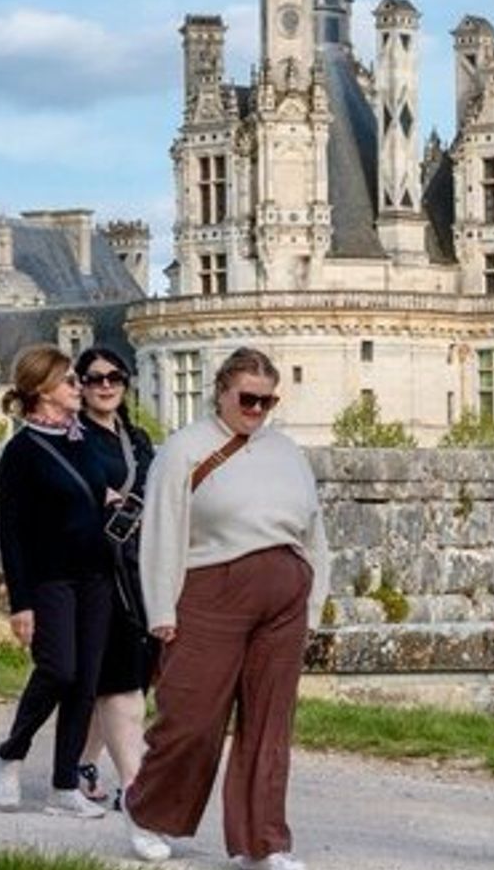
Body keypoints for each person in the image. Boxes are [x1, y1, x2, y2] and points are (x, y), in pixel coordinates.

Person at [124, 347, 330, 869]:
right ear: (221, 392)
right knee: (191, 717)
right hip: (210, 590)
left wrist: (315, 602)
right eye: (248, 398)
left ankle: (264, 842)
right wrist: (161, 610)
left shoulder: (286, 451)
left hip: (284, 597)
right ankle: (147, 810)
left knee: (269, 724)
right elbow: (163, 530)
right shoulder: (185, 448)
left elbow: (313, 533)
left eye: (268, 400)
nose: (257, 409)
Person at [0, 344, 113, 819]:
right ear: (42, 390)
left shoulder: (83, 439)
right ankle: (11, 752)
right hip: (50, 578)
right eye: (70, 382)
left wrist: (111, 500)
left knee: (85, 681)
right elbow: (11, 534)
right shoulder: (21, 453)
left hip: (96, 574)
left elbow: (91, 490)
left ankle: (65, 786)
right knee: (58, 669)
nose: (79, 388)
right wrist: (21, 603)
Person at [71, 346, 156, 811]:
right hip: (94, 567)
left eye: (114, 377)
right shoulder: (72, 439)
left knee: (128, 675)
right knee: (118, 676)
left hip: (138, 563)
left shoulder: (137, 438)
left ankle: (81, 761)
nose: (105, 385)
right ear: (80, 384)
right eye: (94, 378)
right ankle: (134, 783)